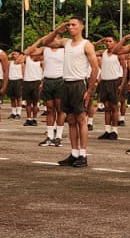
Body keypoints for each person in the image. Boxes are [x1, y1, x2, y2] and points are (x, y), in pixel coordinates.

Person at [35, 18, 97, 167]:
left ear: (82, 26)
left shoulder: (86, 45)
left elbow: (95, 68)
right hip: (66, 83)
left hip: (79, 83)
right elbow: (46, 43)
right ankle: (74, 153)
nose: (70, 27)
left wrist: (89, 90)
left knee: (81, 119)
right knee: (70, 120)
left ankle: (83, 154)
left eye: (73, 24)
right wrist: (57, 30)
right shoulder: (65, 42)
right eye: (69, 25)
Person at [96, 36, 125, 140]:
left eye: (110, 41)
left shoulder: (119, 54)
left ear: (115, 43)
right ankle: (107, 130)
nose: (108, 43)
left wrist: (122, 83)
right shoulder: (103, 53)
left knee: (114, 107)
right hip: (105, 81)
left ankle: (115, 131)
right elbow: (91, 49)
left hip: (114, 81)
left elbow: (125, 69)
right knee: (107, 107)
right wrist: (100, 41)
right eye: (106, 41)